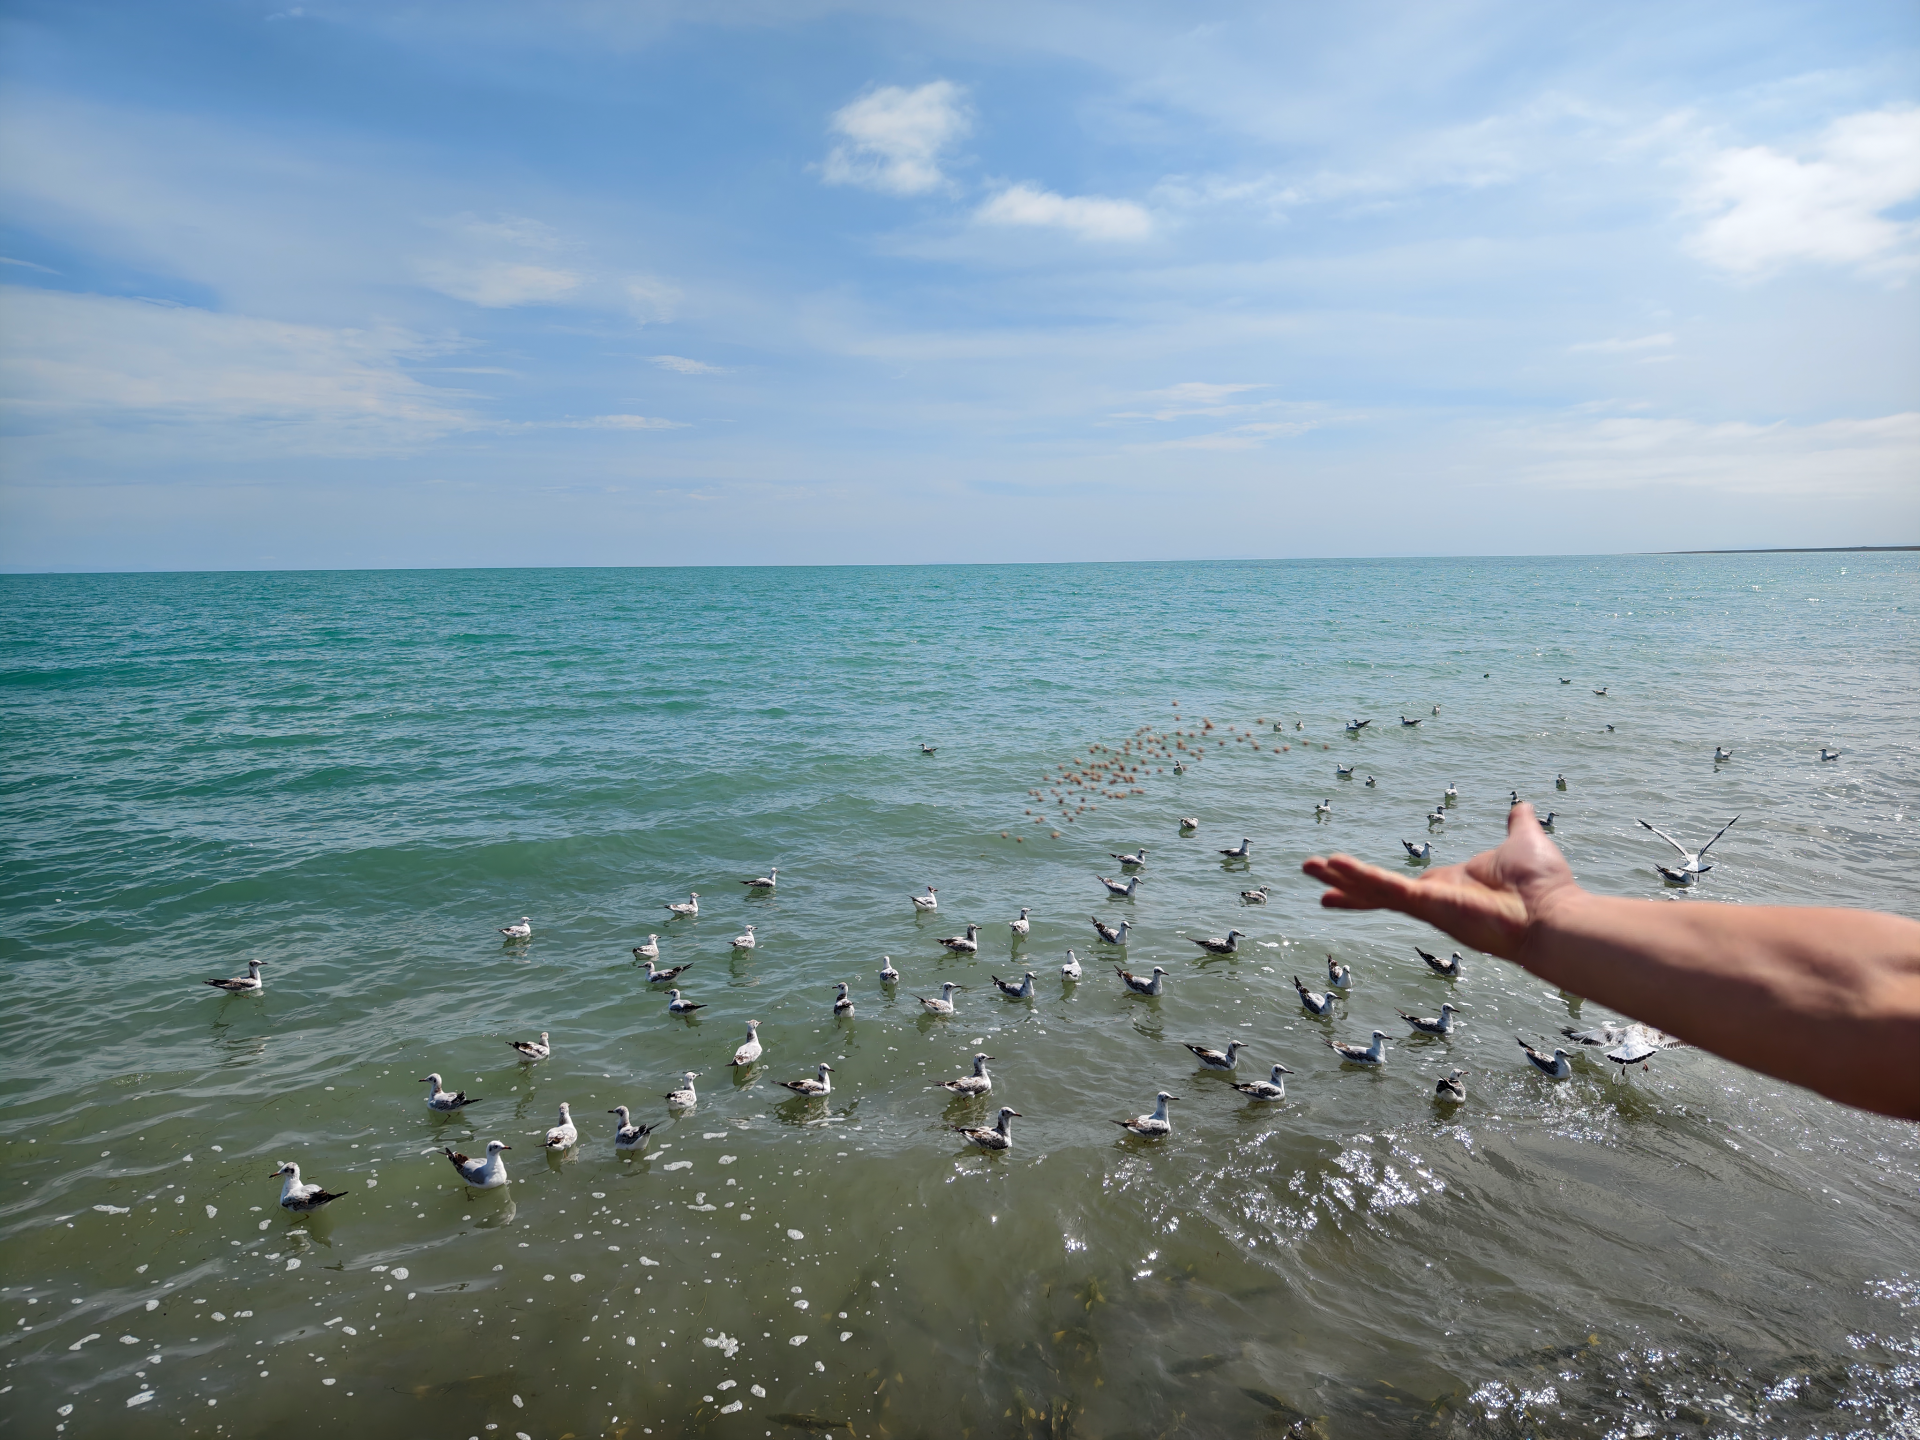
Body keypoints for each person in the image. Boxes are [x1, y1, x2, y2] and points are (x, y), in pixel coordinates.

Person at [1302, 803, 1920, 1122]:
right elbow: (1870, 1002)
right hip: (1631, 1032)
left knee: (1594, 1037)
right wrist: (1557, 926)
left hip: (1627, 1026)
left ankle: (1605, 1039)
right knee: (1598, 1038)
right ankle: (1611, 1041)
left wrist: (1556, 924)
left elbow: (1863, 1001)